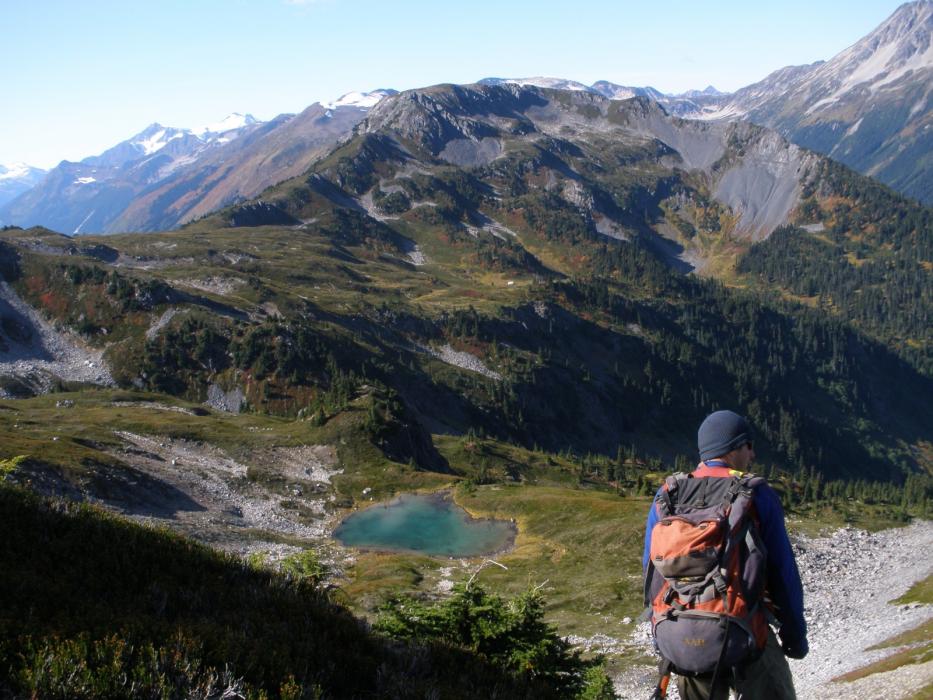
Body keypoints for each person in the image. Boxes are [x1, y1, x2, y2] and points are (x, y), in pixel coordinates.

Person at [643, 410, 808, 700]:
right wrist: (794, 635)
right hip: (744, 632)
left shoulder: (667, 496)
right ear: (733, 448)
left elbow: (650, 572)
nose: (753, 454)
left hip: (682, 635)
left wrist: (661, 632)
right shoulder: (755, 494)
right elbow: (783, 573)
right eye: (748, 445)